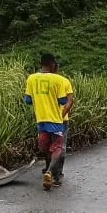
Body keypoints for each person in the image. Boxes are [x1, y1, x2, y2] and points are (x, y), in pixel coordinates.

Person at [24, 53, 73, 191]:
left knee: (46, 148)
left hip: (41, 121)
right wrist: (61, 114)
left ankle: (49, 170)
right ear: (53, 65)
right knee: (58, 148)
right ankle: (52, 173)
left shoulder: (31, 78)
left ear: (41, 64)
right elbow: (65, 101)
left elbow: (27, 100)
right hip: (57, 121)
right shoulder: (60, 80)